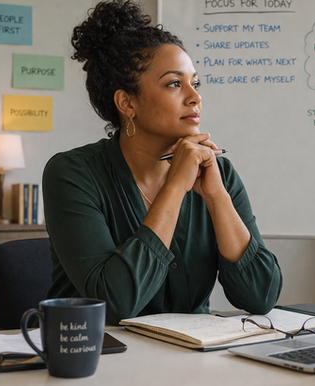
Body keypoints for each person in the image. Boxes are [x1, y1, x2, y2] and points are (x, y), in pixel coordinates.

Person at [42, 0, 282, 325]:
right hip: (102, 364)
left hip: (190, 364)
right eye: (174, 83)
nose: (195, 96)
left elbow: (261, 296)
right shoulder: (71, 174)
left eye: (194, 83)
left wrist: (216, 198)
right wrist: (176, 186)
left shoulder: (218, 173)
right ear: (127, 102)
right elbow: (113, 303)